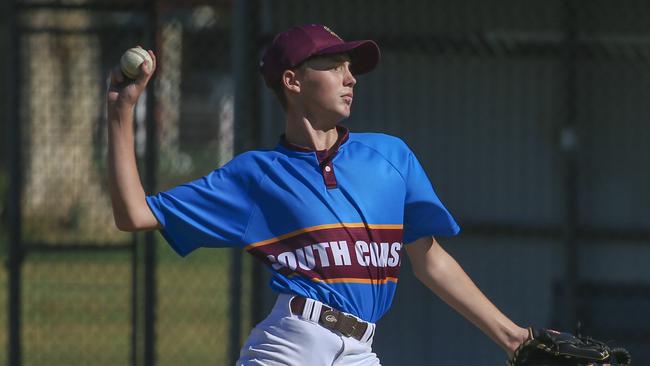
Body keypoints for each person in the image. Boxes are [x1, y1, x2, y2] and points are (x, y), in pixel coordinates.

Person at [107, 24, 529, 365]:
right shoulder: (256, 176)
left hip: (361, 351)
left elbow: (429, 259)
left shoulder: (390, 157)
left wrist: (512, 337)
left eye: (350, 67)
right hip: (290, 348)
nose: (350, 77)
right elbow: (135, 214)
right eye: (332, 66)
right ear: (292, 80)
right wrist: (121, 111)